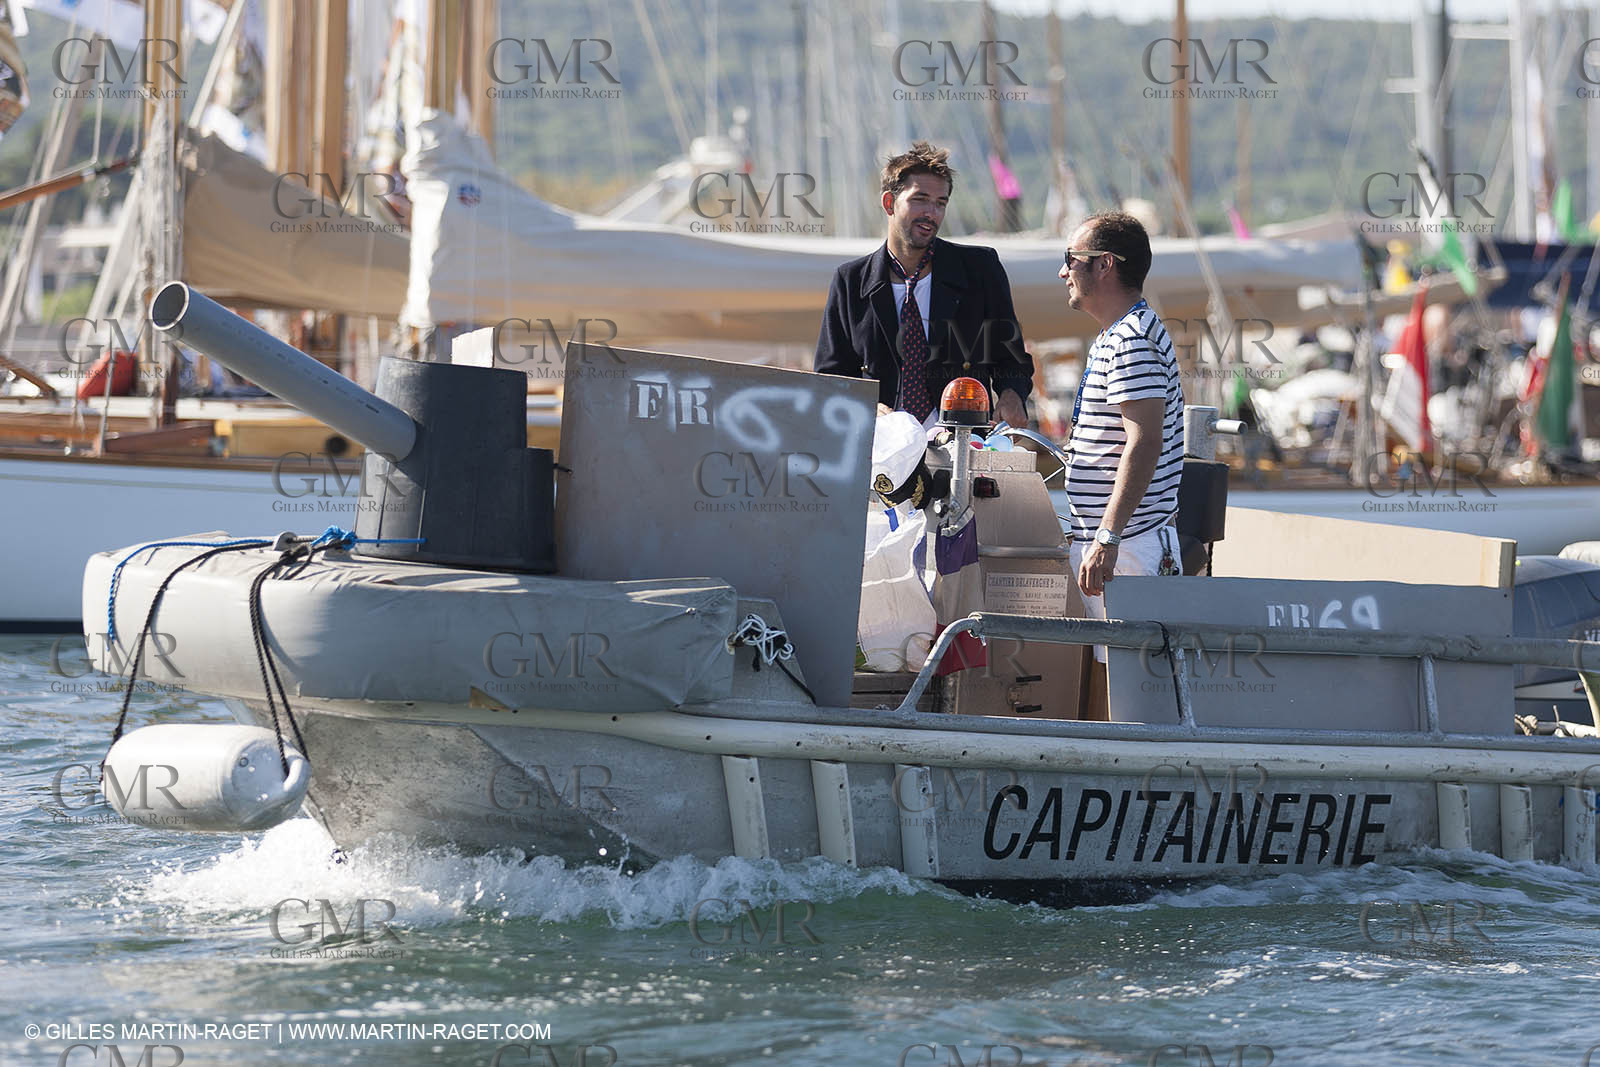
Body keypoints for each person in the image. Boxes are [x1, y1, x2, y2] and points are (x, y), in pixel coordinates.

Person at [815, 142, 1033, 426]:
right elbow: (831, 377)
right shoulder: (850, 281)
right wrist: (866, 406)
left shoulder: (980, 269)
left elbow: (1011, 357)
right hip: (879, 446)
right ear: (889, 203)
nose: (931, 212)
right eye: (920, 199)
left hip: (962, 441)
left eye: (940, 203)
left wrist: (1011, 394)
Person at [1059, 211, 1184, 682]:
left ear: (1104, 265)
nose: (1063, 271)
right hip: (1120, 544)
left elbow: (1145, 442)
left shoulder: (1131, 340)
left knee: (1133, 683)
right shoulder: (1119, 334)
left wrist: (1107, 539)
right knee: (1116, 677)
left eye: (1070, 259)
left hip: (1128, 546)